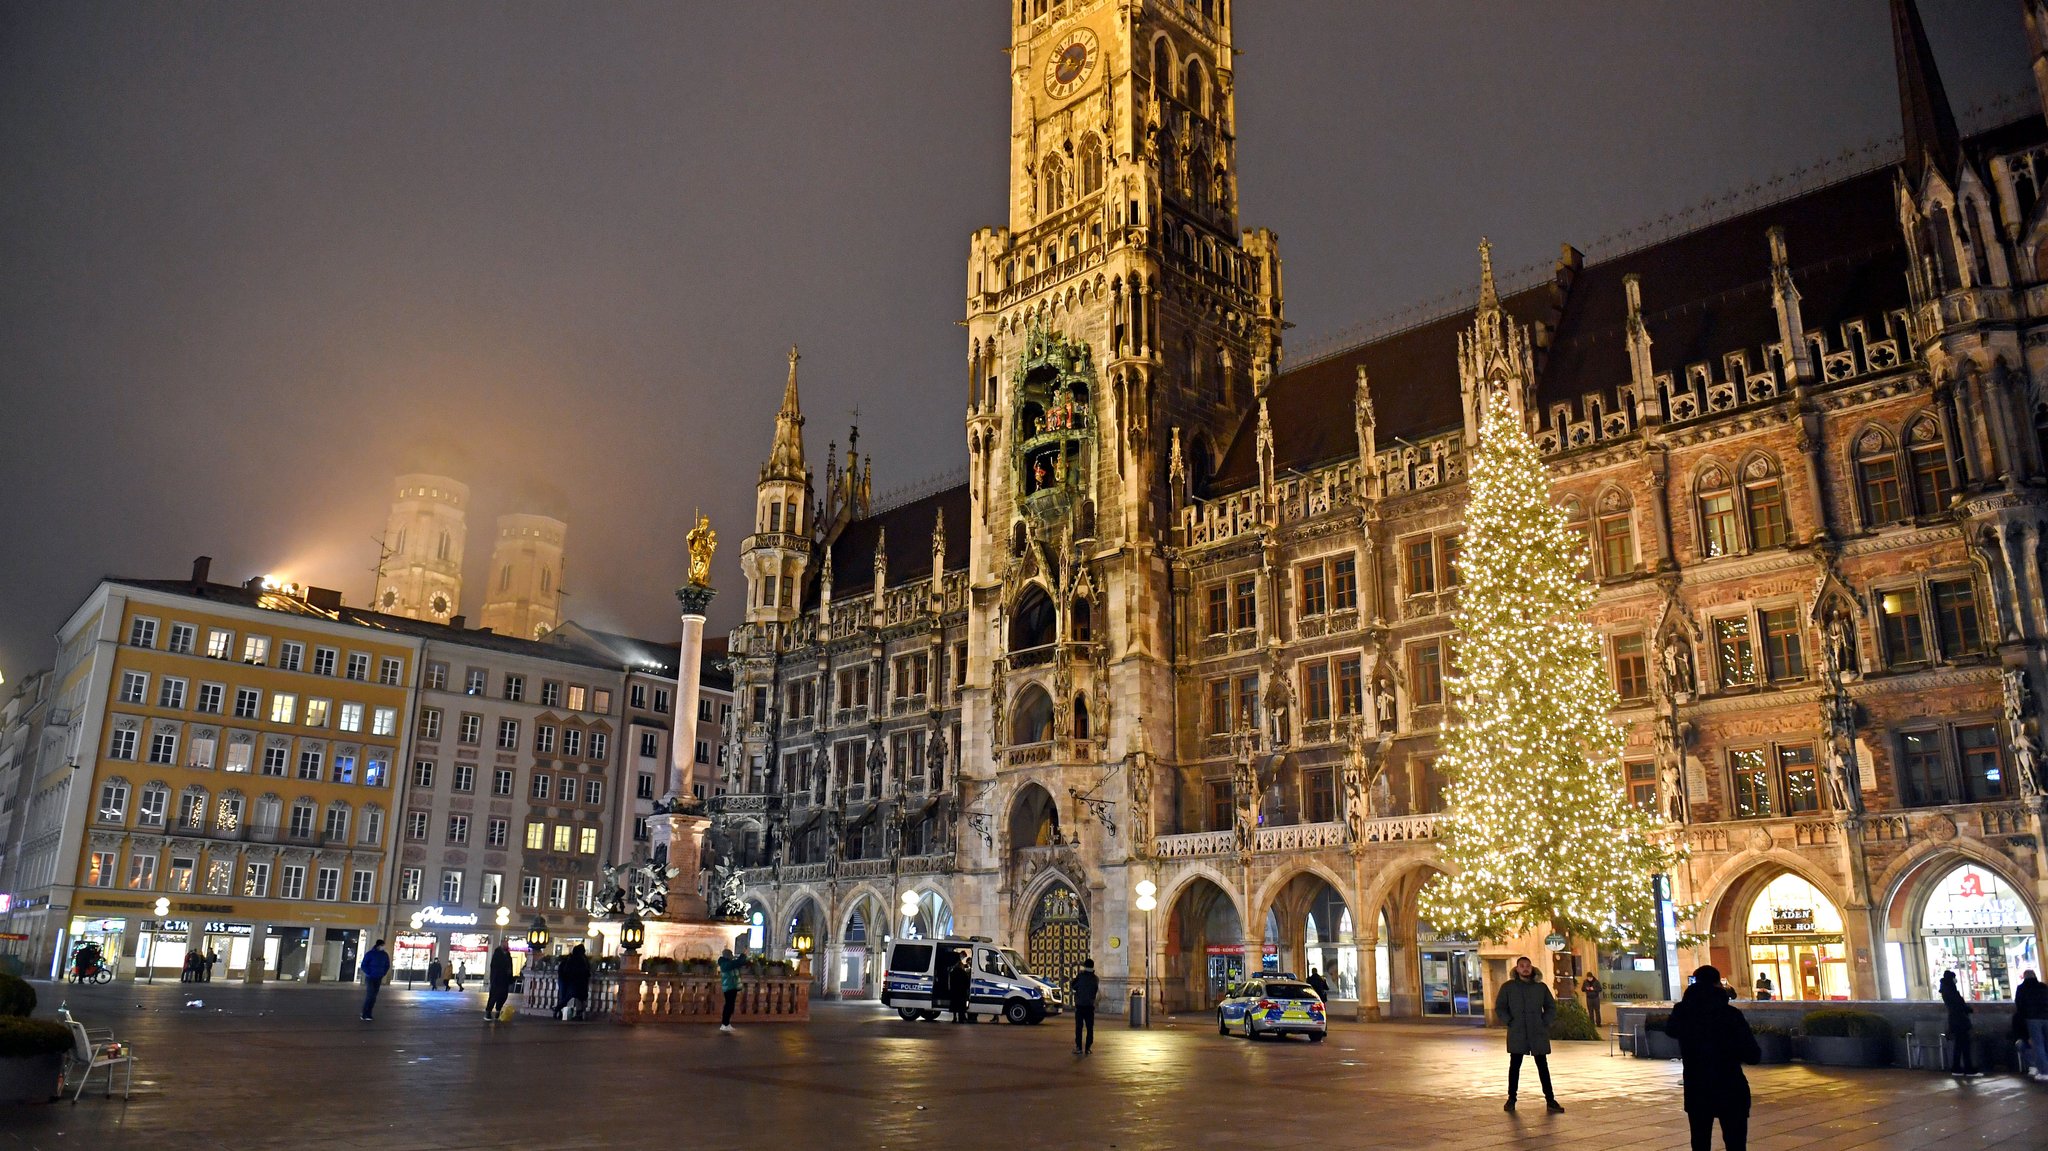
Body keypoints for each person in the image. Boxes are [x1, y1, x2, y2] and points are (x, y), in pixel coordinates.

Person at [1664, 964, 1761, 1151]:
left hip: (1697, 1086)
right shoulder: (1730, 1014)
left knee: (1700, 1142)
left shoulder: (1683, 1013)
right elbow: (1752, 1054)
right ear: (1718, 983)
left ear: (1695, 981)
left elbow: (1671, 1031)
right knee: (1735, 1143)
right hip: (1730, 1085)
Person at [1495, 956, 1562, 1113]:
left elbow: (1551, 1007)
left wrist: (1544, 1021)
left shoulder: (1540, 988)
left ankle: (1550, 1099)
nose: (1525, 968)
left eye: (1528, 966)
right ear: (1517, 969)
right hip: (1517, 1032)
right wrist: (1509, 1021)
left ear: (1531, 968)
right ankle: (1511, 1099)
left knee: (1543, 1066)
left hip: (1537, 1032)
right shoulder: (1508, 987)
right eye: (1522, 966)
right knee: (1515, 1066)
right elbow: (1500, 1007)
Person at [1940, 970, 1978, 1075]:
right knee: (1964, 1044)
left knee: (1959, 1045)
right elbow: (1959, 1006)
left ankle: (1957, 1067)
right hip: (1960, 1021)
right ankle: (1967, 1068)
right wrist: (1969, 1010)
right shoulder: (1951, 992)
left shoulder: (1946, 991)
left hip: (1955, 1021)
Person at [2013, 969, 2048, 1081]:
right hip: (2046, 1017)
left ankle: (2044, 1071)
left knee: (2038, 1045)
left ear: (2024, 977)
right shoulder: (2043, 987)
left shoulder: (2021, 988)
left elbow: (2019, 1005)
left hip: (2032, 1019)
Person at [1071, 958, 1100, 1055]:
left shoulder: (1081, 976)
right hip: (1090, 1006)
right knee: (1090, 1028)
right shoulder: (1095, 978)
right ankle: (1088, 1048)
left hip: (1080, 1005)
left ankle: (1079, 1047)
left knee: (1079, 1027)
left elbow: (1073, 986)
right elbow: (1095, 990)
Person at [557, 944, 592, 1021]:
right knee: (578, 997)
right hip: (577, 982)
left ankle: (560, 1011)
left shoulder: (571, 958)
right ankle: (577, 1014)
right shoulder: (580, 959)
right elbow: (585, 970)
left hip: (573, 981)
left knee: (568, 997)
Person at [360, 939, 392, 1021]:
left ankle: (369, 1013)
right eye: (383, 945)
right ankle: (365, 1014)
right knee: (370, 995)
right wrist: (369, 972)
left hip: (378, 977)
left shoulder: (384, 955)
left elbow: (387, 965)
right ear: (379, 945)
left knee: (373, 997)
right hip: (371, 977)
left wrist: (383, 973)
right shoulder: (370, 954)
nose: (384, 947)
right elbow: (364, 965)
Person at [717, 945, 746, 1032]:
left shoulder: (726, 963)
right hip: (729, 987)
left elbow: (737, 964)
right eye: (730, 954)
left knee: (730, 1005)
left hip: (732, 986)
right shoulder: (725, 964)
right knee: (728, 1005)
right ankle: (724, 1024)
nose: (732, 956)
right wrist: (743, 955)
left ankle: (727, 1023)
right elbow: (737, 963)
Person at [485, 942, 515, 1021]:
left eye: (507, 944)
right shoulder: (497, 954)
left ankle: (498, 1010)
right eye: (505, 944)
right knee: (494, 996)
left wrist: (510, 977)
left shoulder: (508, 955)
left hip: (505, 980)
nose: (507, 945)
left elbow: (510, 967)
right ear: (501, 945)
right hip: (497, 979)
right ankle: (488, 1012)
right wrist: (494, 979)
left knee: (503, 996)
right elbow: (495, 968)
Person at [947, 953, 973, 1024]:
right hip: (961, 991)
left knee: (954, 1005)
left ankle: (954, 1018)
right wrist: (967, 989)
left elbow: (950, 982)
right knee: (961, 1006)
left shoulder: (953, 972)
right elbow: (967, 982)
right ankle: (961, 1018)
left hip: (954, 991)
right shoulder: (963, 973)